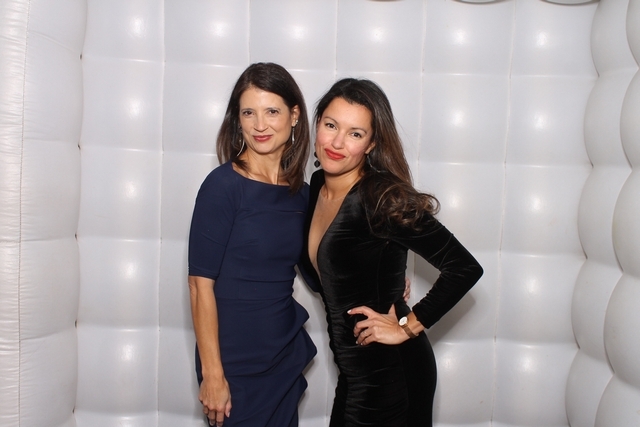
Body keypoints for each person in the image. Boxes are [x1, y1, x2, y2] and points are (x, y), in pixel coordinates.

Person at [301, 78, 484, 426]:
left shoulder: (381, 198)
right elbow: (335, 274)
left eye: (355, 133)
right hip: (353, 375)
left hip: (392, 374)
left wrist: (406, 327)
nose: (337, 143)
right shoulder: (317, 186)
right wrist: (386, 276)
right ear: (318, 123)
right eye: (331, 125)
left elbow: (463, 267)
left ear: (371, 143)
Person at [188, 62, 317, 427]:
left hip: (281, 352)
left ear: (294, 115)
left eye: (272, 111)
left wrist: (386, 282)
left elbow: (320, 269)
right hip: (233, 362)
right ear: (238, 119)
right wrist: (213, 374)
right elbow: (199, 286)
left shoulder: (302, 195)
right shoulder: (223, 186)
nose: (260, 125)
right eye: (249, 113)